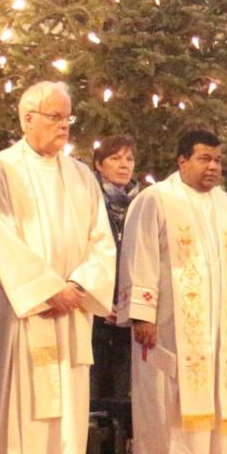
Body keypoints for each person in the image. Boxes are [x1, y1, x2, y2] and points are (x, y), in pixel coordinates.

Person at [0, 82, 119, 454]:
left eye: (67, 118)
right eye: (55, 117)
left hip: (71, 308)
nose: (63, 126)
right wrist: (45, 289)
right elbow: (1, 238)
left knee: (70, 406)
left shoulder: (79, 174)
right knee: (24, 402)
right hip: (27, 312)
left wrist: (79, 284)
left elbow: (102, 239)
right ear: (28, 119)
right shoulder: (3, 170)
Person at [120, 131, 227, 454]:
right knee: (162, 407)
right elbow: (140, 256)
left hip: (216, 330)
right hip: (167, 326)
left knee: (212, 407)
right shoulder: (155, 201)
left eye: (217, 159)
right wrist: (142, 314)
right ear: (182, 161)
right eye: (204, 159)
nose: (213, 167)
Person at [90, 137, 140, 408]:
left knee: (122, 398)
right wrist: (100, 300)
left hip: (128, 313)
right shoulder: (89, 200)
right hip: (95, 310)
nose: (124, 165)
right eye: (115, 158)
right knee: (92, 393)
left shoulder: (142, 203)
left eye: (129, 159)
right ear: (98, 164)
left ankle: (118, 451)